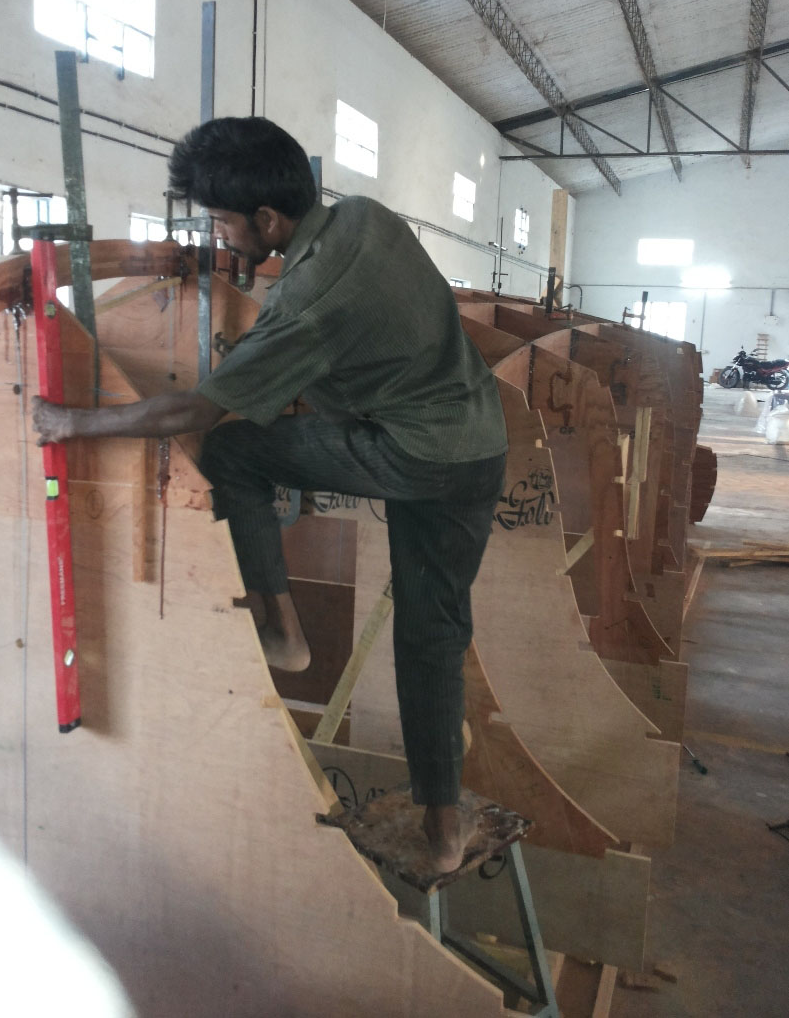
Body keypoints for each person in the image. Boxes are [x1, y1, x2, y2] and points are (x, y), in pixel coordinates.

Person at [33, 116, 507, 872]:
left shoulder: (306, 302)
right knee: (432, 636)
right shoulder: (366, 217)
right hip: (477, 443)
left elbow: (196, 413)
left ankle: (281, 627)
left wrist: (73, 422)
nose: (218, 237)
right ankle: (444, 831)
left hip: (412, 454)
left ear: (267, 218)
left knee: (235, 449)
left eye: (223, 222)